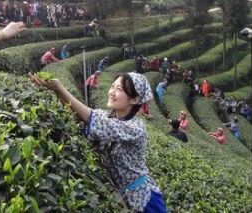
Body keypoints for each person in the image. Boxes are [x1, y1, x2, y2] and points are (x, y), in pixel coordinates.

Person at [29, 72, 167, 212]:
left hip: (144, 199)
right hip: (124, 195)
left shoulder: (135, 127)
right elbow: (79, 114)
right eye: (112, 86)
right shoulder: (108, 115)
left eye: (119, 90)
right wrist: (53, 89)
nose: (112, 92)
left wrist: (60, 87)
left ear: (134, 99)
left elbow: (92, 118)